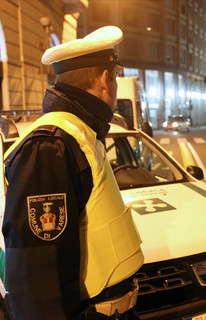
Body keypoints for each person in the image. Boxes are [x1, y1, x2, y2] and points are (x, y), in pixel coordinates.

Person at [2, 26, 144, 320]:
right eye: (115, 76)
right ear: (105, 79)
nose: (115, 84)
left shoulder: (79, 134)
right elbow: (37, 278)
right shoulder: (50, 146)